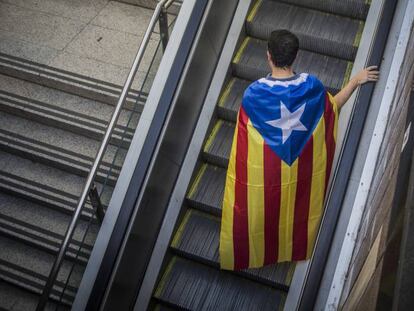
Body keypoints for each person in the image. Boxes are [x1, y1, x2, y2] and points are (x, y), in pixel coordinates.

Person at [219, 29, 379, 271]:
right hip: (301, 175)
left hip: (267, 175)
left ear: (268, 56)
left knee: (265, 209)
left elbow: (244, 140)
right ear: (295, 56)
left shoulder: (254, 94)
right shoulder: (312, 87)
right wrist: (356, 80)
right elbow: (332, 107)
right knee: (295, 211)